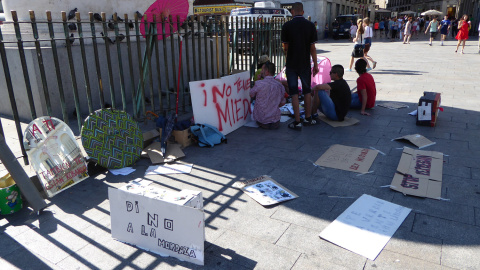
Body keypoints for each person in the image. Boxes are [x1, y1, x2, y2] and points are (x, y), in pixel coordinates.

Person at [281, 2, 318, 130]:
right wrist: (316, 64)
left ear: (292, 12)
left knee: (294, 93)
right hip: (305, 63)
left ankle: (297, 122)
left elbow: (285, 47)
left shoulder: (286, 26)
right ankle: (308, 118)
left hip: (291, 64)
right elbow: (312, 48)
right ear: (302, 12)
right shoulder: (310, 25)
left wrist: (287, 59)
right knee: (307, 90)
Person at [250, 61, 286, 129]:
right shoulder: (280, 85)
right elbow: (282, 102)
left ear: (267, 71)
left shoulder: (259, 84)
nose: (261, 72)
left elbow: (251, 94)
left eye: (262, 70)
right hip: (275, 122)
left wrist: (257, 81)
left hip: (262, 120)